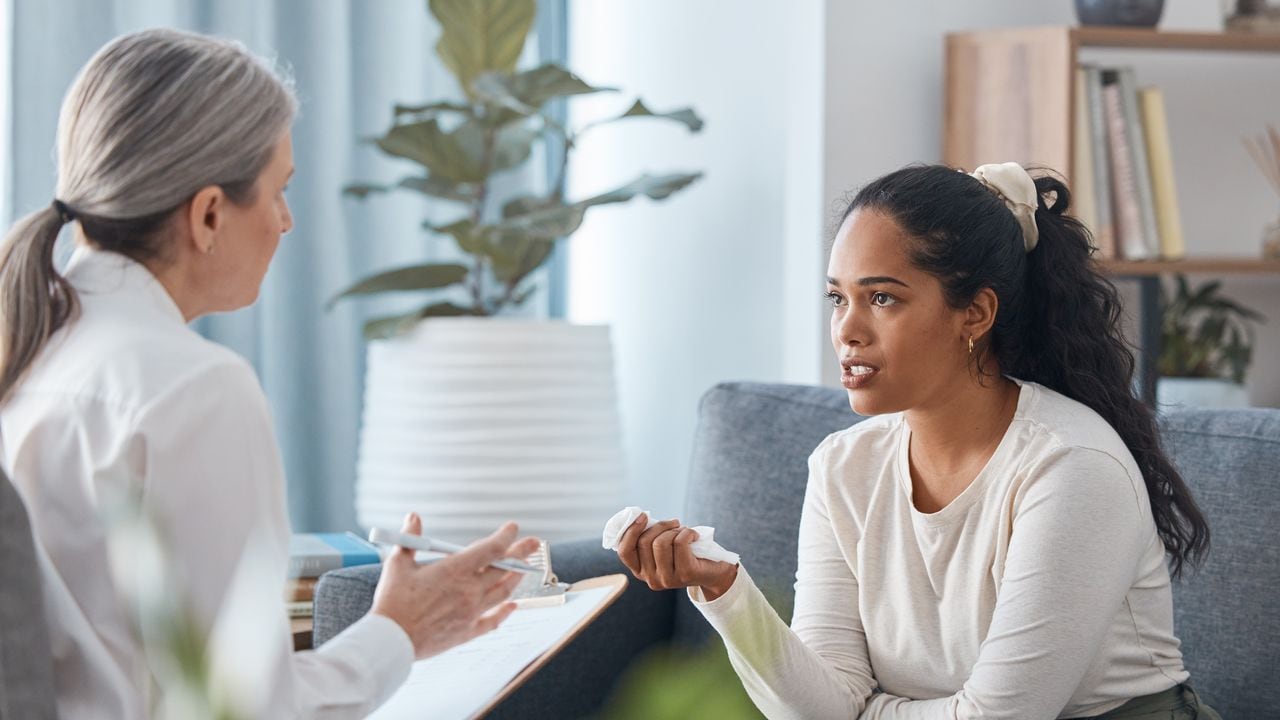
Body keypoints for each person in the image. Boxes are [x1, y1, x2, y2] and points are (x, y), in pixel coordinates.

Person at [0, 28, 537, 719]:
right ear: (210, 213)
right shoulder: (193, 389)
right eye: (279, 191)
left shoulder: (27, 356)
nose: (286, 222)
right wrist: (399, 632)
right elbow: (243, 711)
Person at [617, 163, 1222, 718]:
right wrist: (722, 589)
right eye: (838, 298)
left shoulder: (1071, 466)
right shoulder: (843, 466)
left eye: (882, 298)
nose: (847, 331)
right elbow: (822, 706)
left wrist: (868, 713)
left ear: (976, 315)